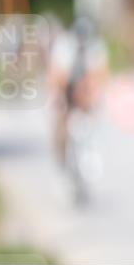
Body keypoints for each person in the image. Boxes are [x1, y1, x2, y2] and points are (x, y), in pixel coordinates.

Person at [48, 16, 110, 165]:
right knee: (62, 118)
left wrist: (93, 95)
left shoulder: (96, 46)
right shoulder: (63, 46)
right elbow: (56, 75)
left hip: (85, 84)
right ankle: (62, 157)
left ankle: (87, 149)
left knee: (91, 110)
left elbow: (102, 74)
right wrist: (60, 97)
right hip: (66, 83)